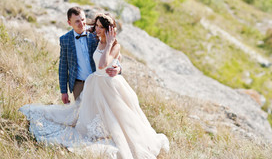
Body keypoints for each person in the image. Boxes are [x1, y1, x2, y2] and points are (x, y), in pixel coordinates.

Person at [20, 12, 169, 158]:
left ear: (108, 30)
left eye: (100, 27)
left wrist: (117, 66)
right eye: (96, 26)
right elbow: (63, 66)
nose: (96, 29)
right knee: (84, 114)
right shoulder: (90, 38)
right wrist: (63, 90)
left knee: (115, 116)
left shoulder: (111, 44)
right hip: (91, 83)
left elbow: (108, 62)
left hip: (109, 85)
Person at [59, 6, 121, 104]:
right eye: (77, 21)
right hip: (79, 84)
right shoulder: (65, 39)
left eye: (83, 19)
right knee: (82, 114)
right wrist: (63, 91)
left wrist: (118, 68)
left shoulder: (96, 33)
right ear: (69, 23)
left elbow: (114, 53)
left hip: (98, 82)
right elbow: (63, 66)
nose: (81, 23)